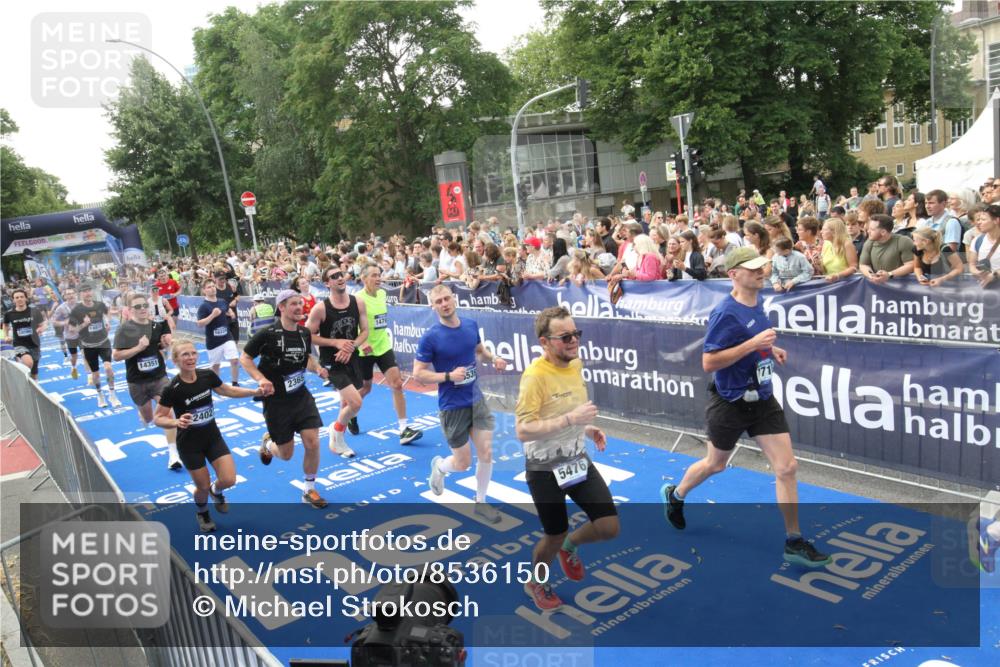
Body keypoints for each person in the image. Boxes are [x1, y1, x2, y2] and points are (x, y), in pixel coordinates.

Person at [661, 246, 831, 567]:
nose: (760, 271)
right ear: (733, 275)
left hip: (763, 398)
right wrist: (754, 345)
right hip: (730, 401)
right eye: (752, 268)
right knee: (715, 464)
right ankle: (676, 494)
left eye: (761, 267)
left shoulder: (759, 302)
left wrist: (771, 349)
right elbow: (709, 361)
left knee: (787, 467)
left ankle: (793, 540)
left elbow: (754, 338)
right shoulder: (725, 313)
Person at [514, 306, 619, 611]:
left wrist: (586, 427)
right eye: (565, 336)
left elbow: (566, 411)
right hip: (544, 467)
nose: (574, 341)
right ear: (544, 342)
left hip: (575, 458)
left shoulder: (575, 364)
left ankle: (571, 547)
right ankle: (536, 581)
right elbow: (523, 430)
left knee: (609, 527)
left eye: (576, 334)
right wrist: (572, 419)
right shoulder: (534, 376)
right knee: (554, 534)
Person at [415, 284, 508, 524]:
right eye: (439, 301)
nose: (444, 304)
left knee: (486, 452)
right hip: (452, 406)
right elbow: (419, 374)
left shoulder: (470, 325)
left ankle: (481, 502)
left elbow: (480, 351)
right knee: (463, 463)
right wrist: (448, 376)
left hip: (476, 400)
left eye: (447, 298)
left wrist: (494, 358)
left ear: (454, 299)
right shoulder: (430, 338)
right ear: (433, 306)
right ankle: (441, 468)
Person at [156, 341, 265, 532]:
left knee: (229, 479)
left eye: (193, 353)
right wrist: (176, 422)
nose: (190, 358)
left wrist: (254, 392)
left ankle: (217, 491)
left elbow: (227, 390)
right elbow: (158, 417)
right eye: (185, 355)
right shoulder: (172, 388)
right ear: (175, 360)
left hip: (212, 437)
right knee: (202, 486)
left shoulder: (207, 375)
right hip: (189, 445)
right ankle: (203, 512)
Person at [243, 289, 331, 507]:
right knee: (286, 454)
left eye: (300, 304)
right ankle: (268, 444)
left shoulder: (304, 333)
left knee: (313, 441)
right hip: (277, 402)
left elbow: (306, 357)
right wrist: (260, 379)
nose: (299, 308)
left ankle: (309, 489)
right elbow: (245, 358)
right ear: (281, 307)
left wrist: (317, 368)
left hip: (301, 396)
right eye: (293, 304)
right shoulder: (267, 334)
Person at [113, 292, 182, 470]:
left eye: (144, 305)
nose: (142, 309)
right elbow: (117, 356)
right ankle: (142, 414)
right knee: (149, 417)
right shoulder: (124, 329)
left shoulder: (158, 325)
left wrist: (166, 343)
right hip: (137, 381)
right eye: (137, 306)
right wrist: (138, 347)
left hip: (159, 377)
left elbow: (165, 341)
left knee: (168, 413)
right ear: (130, 310)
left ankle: (174, 454)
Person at [355, 265, 423, 445]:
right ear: (364, 278)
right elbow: (353, 323)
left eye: (380, 275)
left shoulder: (383, 294)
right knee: (365, 388)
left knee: (397, 384)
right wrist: (363, 342)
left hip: (383, 346)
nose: (378, 279)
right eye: (374, 276)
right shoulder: (358, 299)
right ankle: (352, 413)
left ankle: (403, 429)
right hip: (365, 349)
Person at [305, 267, 368, 457]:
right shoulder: (321, 308)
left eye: (341, 274)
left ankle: (339, 443)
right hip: (332, 362)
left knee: (345, 403)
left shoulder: (358, 302)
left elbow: (365, 331)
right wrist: (335, 342)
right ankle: (336, 430)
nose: (340, 278)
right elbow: (307, 336)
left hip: (352, 358)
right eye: (334, 276)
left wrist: (351, 346)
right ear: (327, 283)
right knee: (356, 403)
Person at [68, 284, 121, 408]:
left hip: (103, 342)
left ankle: (112, 394)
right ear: (80, 294)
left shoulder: (99, 305)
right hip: (88, 346)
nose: (87, 293)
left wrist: (107, 322)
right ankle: (100, 395)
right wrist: (83, 325)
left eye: (89, 290)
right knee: (95, 374)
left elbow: (108, 313)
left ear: (92, 292)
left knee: (108, 368)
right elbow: (71, 330)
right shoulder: (77, 310)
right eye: (84, 291)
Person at [196, 279, 241, 386]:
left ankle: (235, 383)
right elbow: (199, 323)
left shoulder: (221, 301)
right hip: (213, 340)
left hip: (227, 337)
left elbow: (227, 308)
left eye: (213, 286)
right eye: (209, 287)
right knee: (215, 366)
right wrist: (212, 315)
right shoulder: (204, 306)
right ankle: (216, 385)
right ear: (204, 291)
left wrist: (230, 313)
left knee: (234, 360)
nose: (212, 289)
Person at [2, 288, 46, 381]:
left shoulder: (34, 311)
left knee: (34, 371)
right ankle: (22, 377)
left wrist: (41, 328)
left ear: (26, 298)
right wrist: (6, 335)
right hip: (19, 343)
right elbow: (5, 325)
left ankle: (34, 386)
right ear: (13, 300)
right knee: (28, 362)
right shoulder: (9, 314)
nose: (19, 299)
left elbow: (42, 324)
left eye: (21, 297)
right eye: (16, 297)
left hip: (34, 343)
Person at [859, 214, 915, 283]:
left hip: (902, 286)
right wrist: (871, 275)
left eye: (872, 229)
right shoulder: (869, 242)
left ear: (883, 232)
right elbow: (863, 264)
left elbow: (911, 265)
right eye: (868, 228)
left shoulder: (903, 241)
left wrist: (889, 274)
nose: (868, 231)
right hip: (878, 286)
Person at [49, 287, 81, 378]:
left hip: (82, 334)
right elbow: (53, 321)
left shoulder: (80, 305)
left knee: (85, 353)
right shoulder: (61, 308)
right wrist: (64, 323)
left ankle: (90, 375)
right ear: (65, 296)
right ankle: (73, 367)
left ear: (75, 294)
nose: (70, 295)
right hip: (70, 336)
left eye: (72, 293)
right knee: (74, 357)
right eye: (68, 294)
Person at [968, 205, 1000, 288]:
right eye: (978, 219)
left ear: (996, 220)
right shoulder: (977, 240)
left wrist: (994, 275)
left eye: (983, 219)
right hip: (986, 289)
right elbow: (972, 264)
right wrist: (977, 272)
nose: (979, 222)